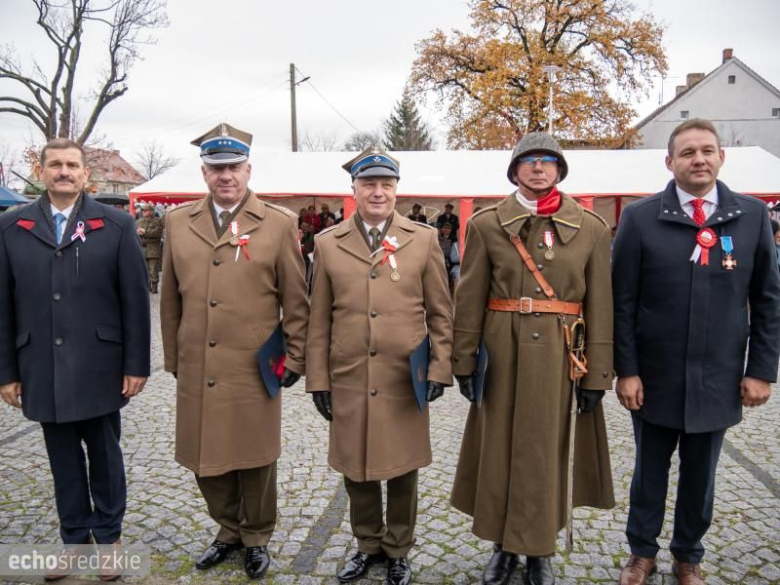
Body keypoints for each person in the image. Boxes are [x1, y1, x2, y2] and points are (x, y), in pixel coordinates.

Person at [613, 118, 780, 585]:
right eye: (687, 153)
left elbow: (768, 300)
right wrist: (626, 370)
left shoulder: (751, 217)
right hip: (654, 376)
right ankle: (641, 553)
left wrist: (762, 369)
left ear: (721, 157)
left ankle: (689, 554)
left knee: (700, 476)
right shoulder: (640, 218)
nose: (699, 159)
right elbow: (621, 302)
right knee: (649, 473)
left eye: (707, 150)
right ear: (670, 162)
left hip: (719, 376)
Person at [451, 132, 615, 585]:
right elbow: (469, 297)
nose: (538, 168)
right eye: (529, 161)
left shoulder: (592, 228)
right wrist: (463, 361)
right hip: (501, 351)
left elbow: (601, 302)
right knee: (499, 449)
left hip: (561, 358)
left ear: (559, 170)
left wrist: (598, 373)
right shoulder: (485, 225)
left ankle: (539, 550)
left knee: (546, 454)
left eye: (547, 161)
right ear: (515, 170)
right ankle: (502, 547)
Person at [160, 123, 309, 580]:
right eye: (217, 168)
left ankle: (257, 536)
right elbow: (169, 297)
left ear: (249, 170)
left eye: (234, 168)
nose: (226, 176)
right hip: (199, 360)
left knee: (256, 456)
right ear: (204, 173)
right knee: (204, 455)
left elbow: (296, 301)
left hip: (255, 361)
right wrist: (174, 358)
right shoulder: (178, 221)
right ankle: (227, 530)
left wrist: (295, 357)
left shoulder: (279, 223)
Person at [0, 138, 150, 580]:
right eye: (55, 165)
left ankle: (109, 539)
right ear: (42, 173)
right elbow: (2, 305)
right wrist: (6, 371)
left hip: (101, 367)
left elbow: (136, 302)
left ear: (86, 174)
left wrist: (137, 364)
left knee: (104, 456)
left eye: (72, 165)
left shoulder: (116, 224)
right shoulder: (12, 227)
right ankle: (73, 541)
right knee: (62, 460)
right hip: (41, 366)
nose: (63, 172)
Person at [306, 147, 453, 585]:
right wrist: (319, 379)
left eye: (386, 184)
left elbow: (441, 312)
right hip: (349, 375)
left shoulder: (423, 239)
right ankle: (367, 544)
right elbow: (318, 318)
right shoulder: (327, 244)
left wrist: (440, 369)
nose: (377, 192)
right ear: (353, 189)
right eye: (368, 183)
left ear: (396, 190)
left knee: (404, 467)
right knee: (357, 467)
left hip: (403, 376)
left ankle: (399, 548)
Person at [135, 202, 164, 293]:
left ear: (151, 211)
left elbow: (157, 233)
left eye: (146, 210)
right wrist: (137, 232)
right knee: (144, 270)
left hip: (153, 249)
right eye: (143, 210)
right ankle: (147, 287)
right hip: (142, 248)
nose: (144, 212)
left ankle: (154, 287)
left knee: (153, 269)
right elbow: (133, 232)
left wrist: (145, 232)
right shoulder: (139, 221)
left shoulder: (157, 221)